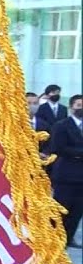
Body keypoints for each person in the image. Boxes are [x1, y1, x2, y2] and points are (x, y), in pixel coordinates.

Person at [47, 94, 83, 248]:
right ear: (71, 107)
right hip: (66, 174)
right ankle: (54, 238)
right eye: (78, 105)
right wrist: (79, 152)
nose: (81, 108)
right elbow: (58, 148)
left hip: (81, 176)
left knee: (77, 210)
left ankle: (69, 237)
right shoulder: (61, 125)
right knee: (62, 208)